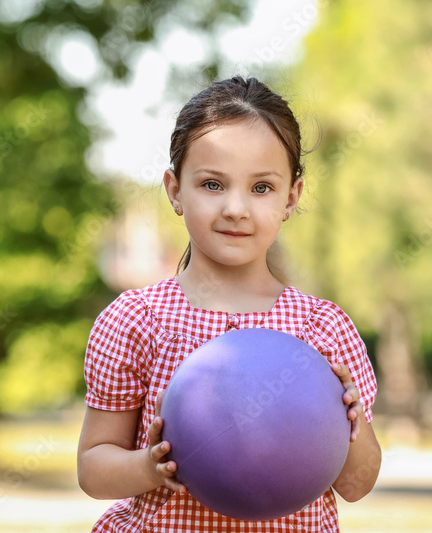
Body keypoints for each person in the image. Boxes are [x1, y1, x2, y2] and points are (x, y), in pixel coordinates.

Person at [77, 76, 382, 532]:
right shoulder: (136, 321)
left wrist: (349, 420)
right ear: (176, 190)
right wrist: (148, 466)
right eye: (213, 184)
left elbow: (357, 485)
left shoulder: (324, 329)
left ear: (291, 197)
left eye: (261, 188)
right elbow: (93, 467)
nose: (236, 208)